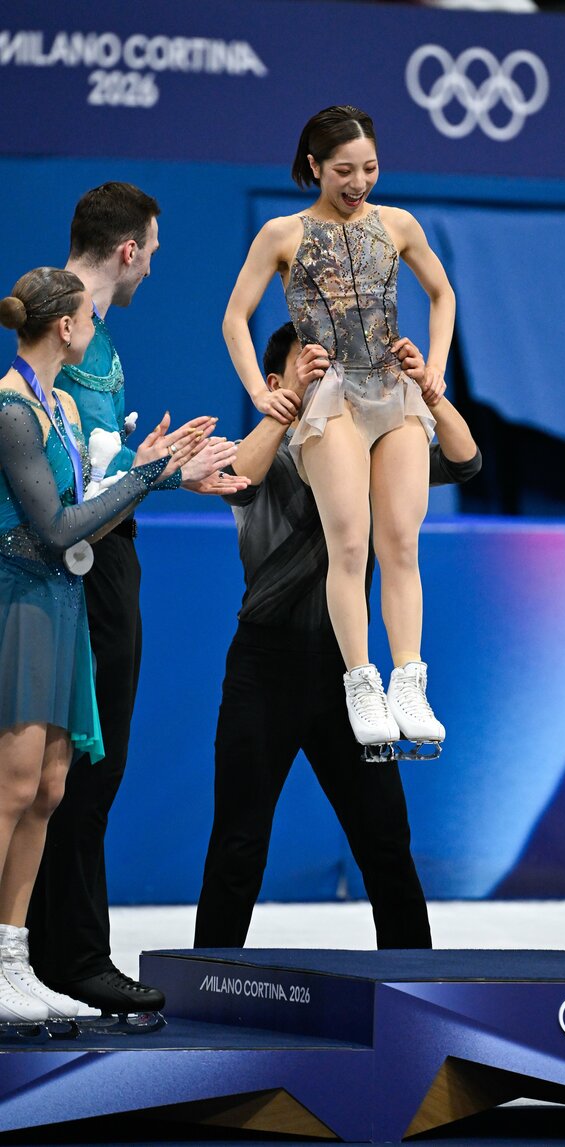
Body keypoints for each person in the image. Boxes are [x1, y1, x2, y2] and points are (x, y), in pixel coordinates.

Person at [26, 183, 246, 1017]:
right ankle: (71, 956)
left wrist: (167, 470)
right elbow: (68, 470)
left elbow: (99, 458)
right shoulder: (70, 328)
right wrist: (154, 471)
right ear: (127, 250)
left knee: (78, 770)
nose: (156, 260)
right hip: (84, 569)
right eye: (151, 247)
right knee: (79, 767)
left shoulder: (95, 333)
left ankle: (51, 951)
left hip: (104, 554)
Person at [194, 322, 481, 949]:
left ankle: (415, 986)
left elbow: (464, 461)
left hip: (349, 680)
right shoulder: (263, 452)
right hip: (262, 672)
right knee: (239, 840)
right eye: (314, 361)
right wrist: (288, 404)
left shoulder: (375, 459)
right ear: (275, 381)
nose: (332, 372)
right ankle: (207, 984)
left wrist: (426, 390)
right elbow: (237, 477)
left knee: (386, 842)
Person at [0, 267, 207, 1024]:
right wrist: (146, 475)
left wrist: (145, 467)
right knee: (13, 789)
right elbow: (55, 528)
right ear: (64, 327)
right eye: (87, 317)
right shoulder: (13, 408)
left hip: (61, 605)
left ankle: (12, 960)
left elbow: (86, 500)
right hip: (19, 605)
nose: (95, 325)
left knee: (51, 787)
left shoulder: (55, 403)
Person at [223, 106, 456, 750]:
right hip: (331, 400)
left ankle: (409, 677)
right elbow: (235, 319)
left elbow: (443, 294)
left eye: (371, 168)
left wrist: (432, 369)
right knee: (350, 545)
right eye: (345, 171)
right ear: (314, 168)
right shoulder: (282, 233)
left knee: (401, 545)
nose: (360, 183)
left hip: (394, 391)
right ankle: (361, 679)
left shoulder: (398, 225)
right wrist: (261, 396)